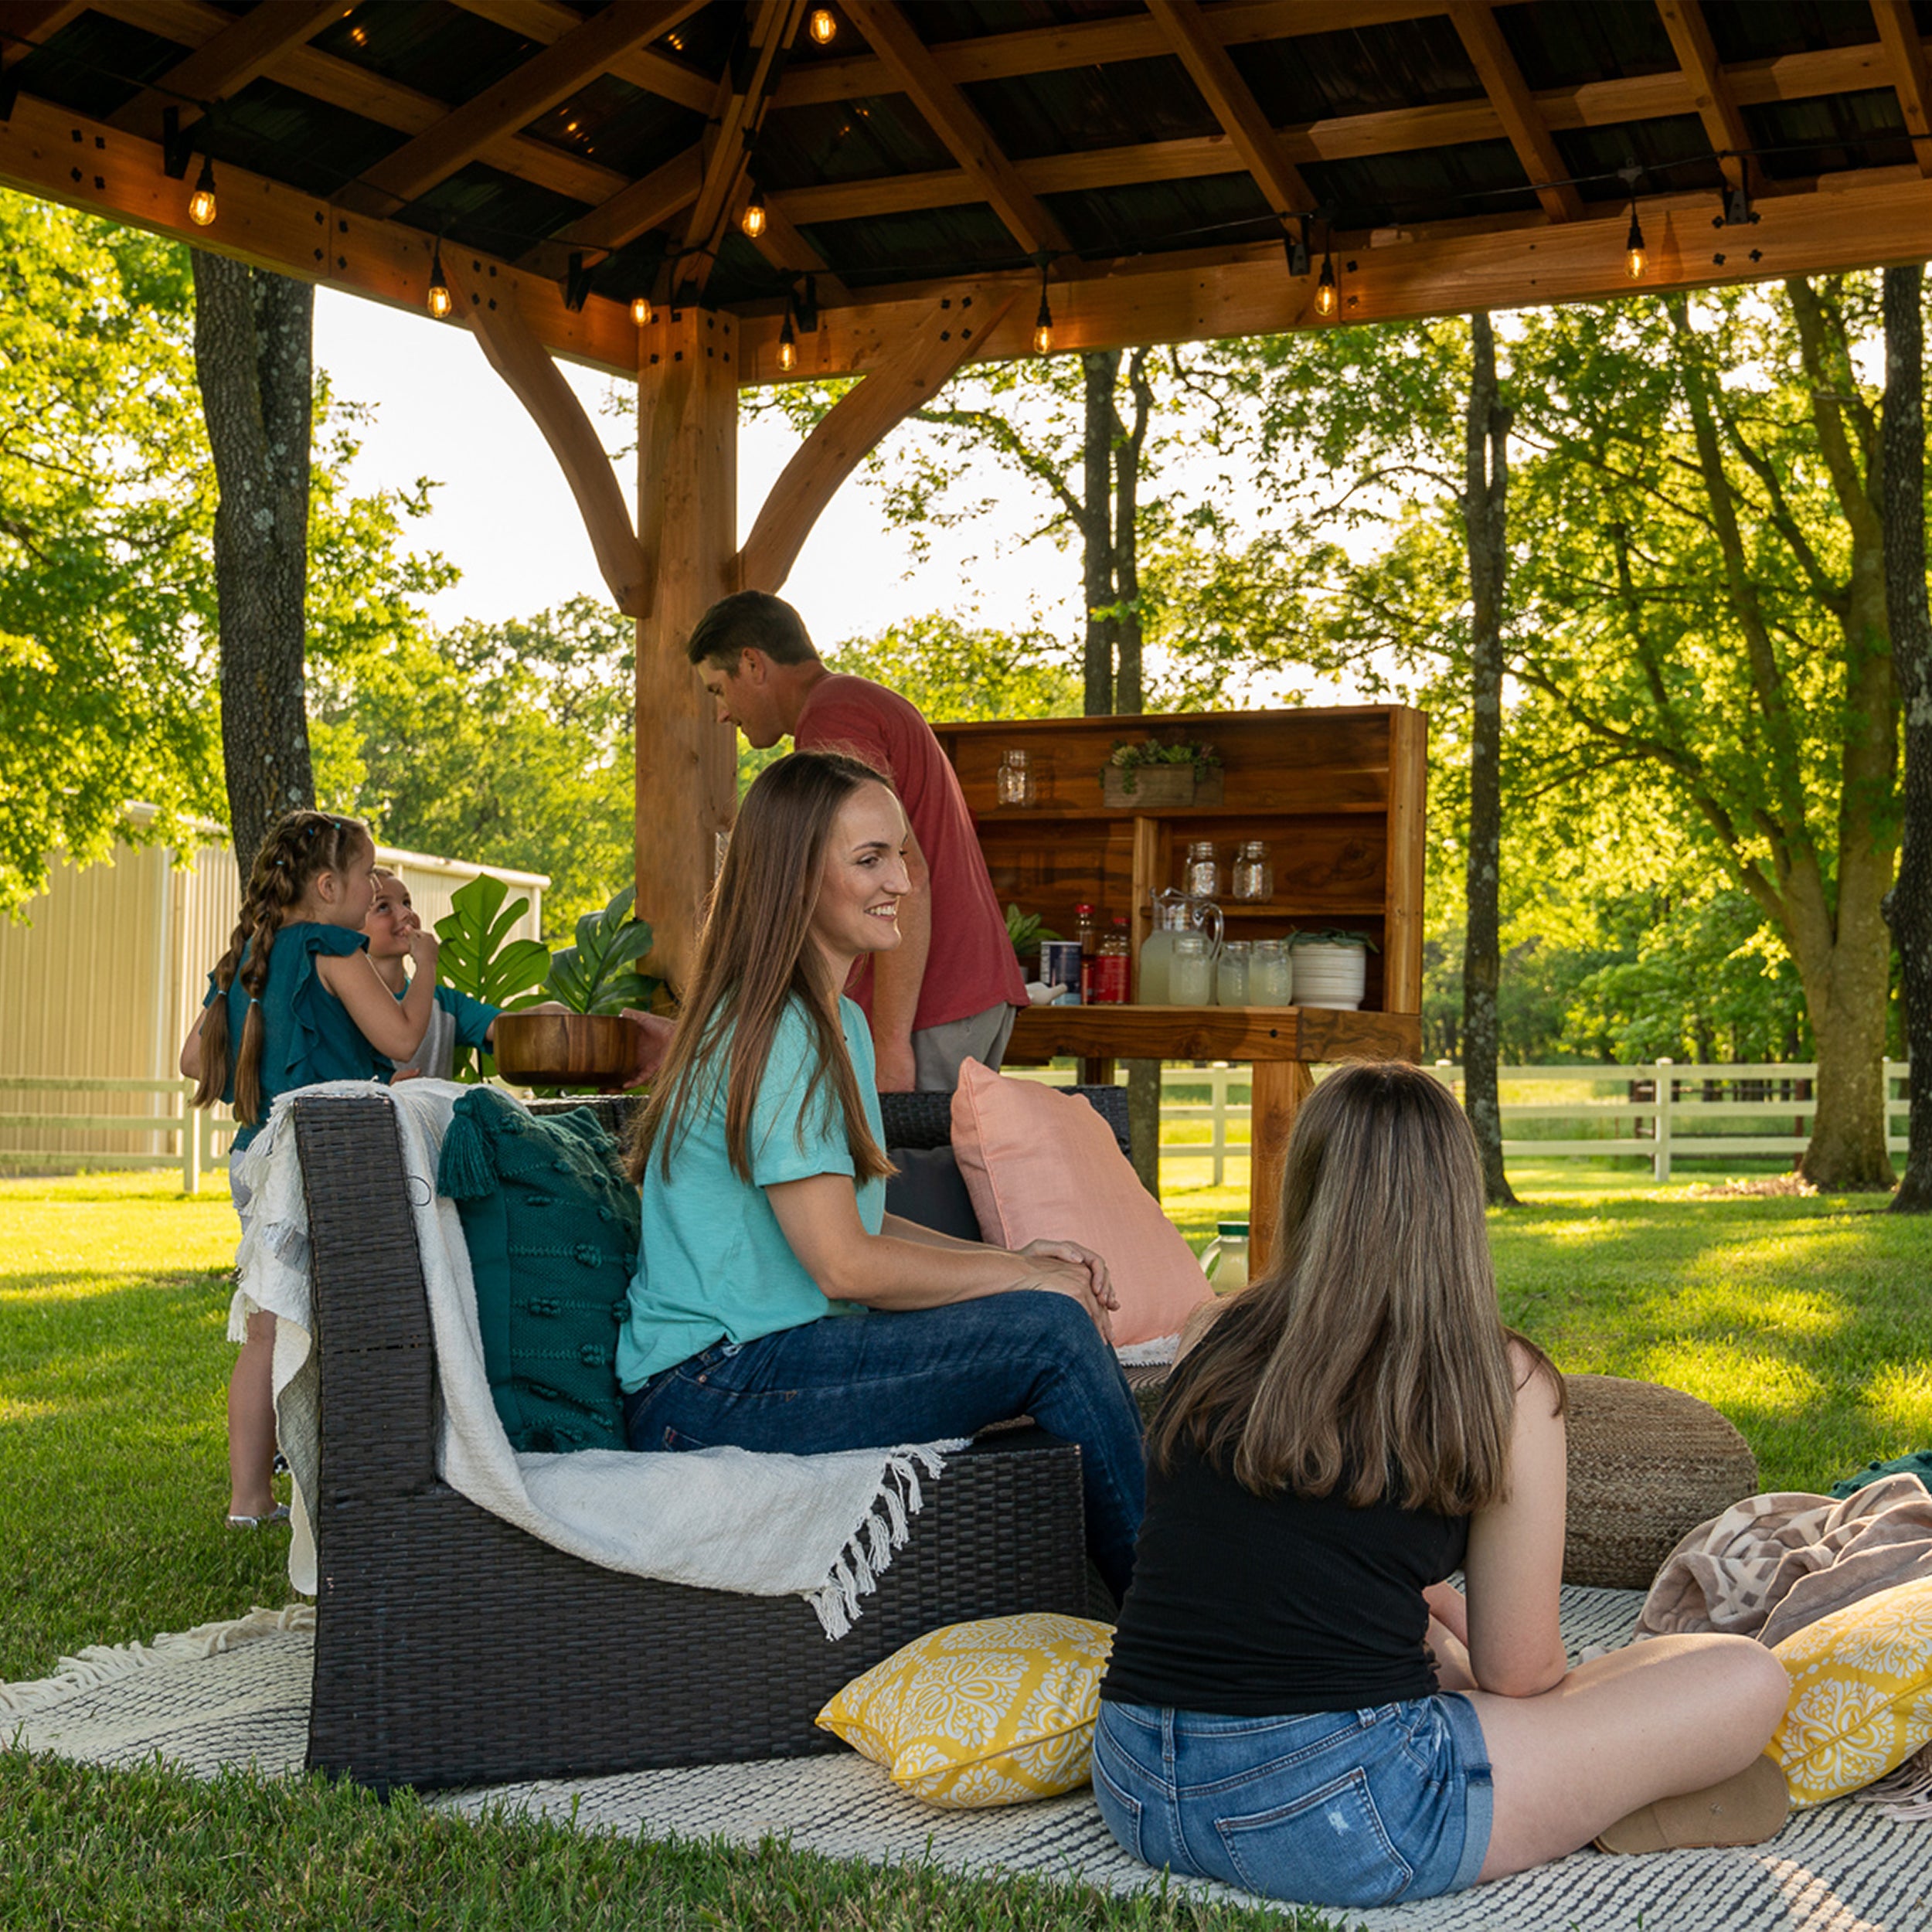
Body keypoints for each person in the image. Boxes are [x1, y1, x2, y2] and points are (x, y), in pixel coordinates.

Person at [1094, 1061, 1791, 1910]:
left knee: (1452, 1648)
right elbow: (1524, 1676)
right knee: (1744, 1676)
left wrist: (1442, 1631)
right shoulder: (1500, 1382)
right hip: (1337, 1814)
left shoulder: (1216, 1330)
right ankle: (1599, 1798)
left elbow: (1276, 1564)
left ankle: (1578, 1780)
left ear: (1306, 1184)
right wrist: (1493, 1668)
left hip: (1134, 1784)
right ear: (1455, 1201)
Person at [619, 748, 1145, 1600]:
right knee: (1049, 1335)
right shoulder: (779, 1029)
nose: (900, 878)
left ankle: (1170, 1611)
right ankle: (1186, 1642)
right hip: (710, 1389)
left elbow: (857, 1226)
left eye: (899, 853)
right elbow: (845, 1265)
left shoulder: (841, 1023)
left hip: (766, 1360)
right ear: (794, 879)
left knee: (1047, 1314)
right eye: (868, 859)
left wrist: (1026, 1262)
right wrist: (1026, 1281)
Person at [181, 811, 440, 1529]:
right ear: (328, 886)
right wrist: (429, 969)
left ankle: (249, 1499)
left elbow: (193, 1062)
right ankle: (352, 1482)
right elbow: (402, 1037)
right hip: (324, 1162)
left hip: (254, 1160)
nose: (370, 894)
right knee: (350, 1323)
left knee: (266, 1329)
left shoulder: (245, 958)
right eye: (366, 878)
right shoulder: (333, 947)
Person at [685, 590, 1025, 1094]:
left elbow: (903, 875)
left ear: (753, 664)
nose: (721, 714)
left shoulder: (834, 720)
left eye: (717, 689)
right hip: (960, 995)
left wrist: (887, 1045)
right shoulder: (855, 703)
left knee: (908, 1172)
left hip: (932, 1006)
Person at [362, 869, 502, 1081]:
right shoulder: (346, 1005)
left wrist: (542, 1015)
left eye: (407, 903)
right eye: (383, 907)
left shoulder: (446, 1003)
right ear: (353, 925)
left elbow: (504, 1028)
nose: (405, 914)